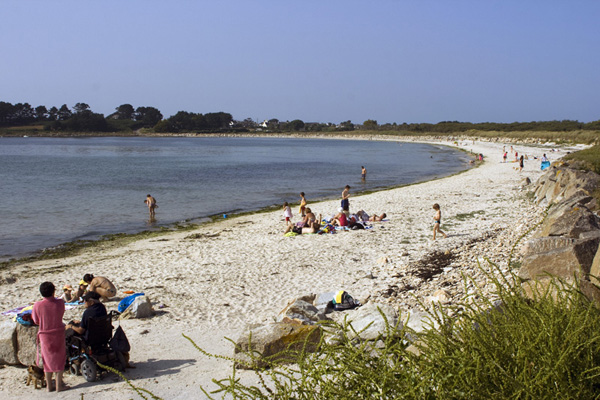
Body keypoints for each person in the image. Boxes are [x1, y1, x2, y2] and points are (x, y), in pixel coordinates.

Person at [31, 282, 68, 392]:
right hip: (58, 332)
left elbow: (36, 320)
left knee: (47, 360)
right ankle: (59, 385)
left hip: (45, 334)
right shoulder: (60, 303)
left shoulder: (37, 305)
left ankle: (49, 386)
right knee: (60, 359)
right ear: (53, 291)